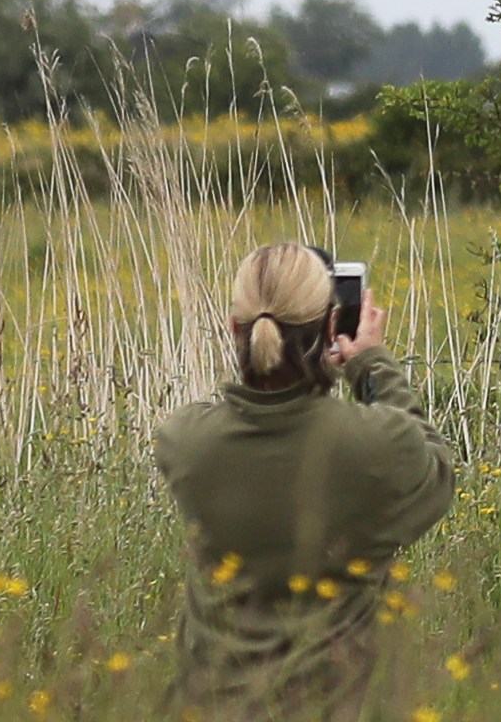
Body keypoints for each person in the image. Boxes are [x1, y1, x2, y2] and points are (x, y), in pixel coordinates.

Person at [154, 243, 456, 720]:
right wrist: (371, 363)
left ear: (235, 329)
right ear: (331, 326)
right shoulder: (375, 444)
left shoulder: (184, 442)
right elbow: (434, 467)